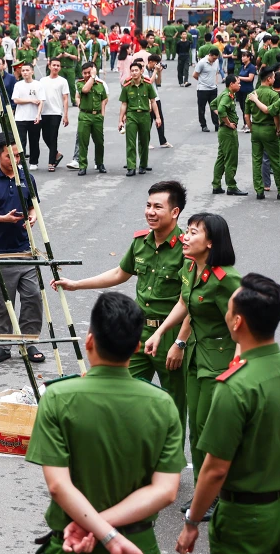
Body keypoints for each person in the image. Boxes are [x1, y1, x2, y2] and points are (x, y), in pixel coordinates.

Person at [25, 292, 184, 554]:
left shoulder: (58, 397)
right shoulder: (162, 404)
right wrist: (103, 527)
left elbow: (58, 486)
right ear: (137, 347)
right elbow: (166, 490)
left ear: (89, 341)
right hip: (137, 547)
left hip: (70, 546)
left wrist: (99, 530)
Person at [175, 274, 280, 554]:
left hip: (245, 518)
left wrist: (192, 522)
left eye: (229, 309)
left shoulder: (234, 387)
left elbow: (215, 469)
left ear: (237, 322)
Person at [52, 180, 189, 436]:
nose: (150, 212)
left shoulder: (186, 249)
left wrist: (180, 343)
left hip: (170, 336)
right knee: (124, 393)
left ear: (175, 212)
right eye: (148, 205)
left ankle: (169, 466)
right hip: (138, 335)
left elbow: (188, 302)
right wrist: (76, 285)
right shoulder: (141, 242)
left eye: (158, 207)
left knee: (173, 403)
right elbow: (120, 273)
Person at [145, 212, 241, 518]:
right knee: (197, 432)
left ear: (211, 242)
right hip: (196, 358)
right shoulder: (191, 268)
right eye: (186, 231)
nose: (185, 237)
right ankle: (205, 492)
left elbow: (245, 321)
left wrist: (238, 364)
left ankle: (219, 493)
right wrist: (165, 335)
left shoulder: (228, 279)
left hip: (220, 362)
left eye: (193, 232)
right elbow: (186, 305)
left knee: (211, 431)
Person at [0, 135, 44, 364]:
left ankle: (29, 341)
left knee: (33, 297)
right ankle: (3, 344)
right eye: (10, 156)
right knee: (0, 300)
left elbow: (33, 207)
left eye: (19, 155)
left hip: (25, 250)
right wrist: (2, 219)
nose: (16, 159)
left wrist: (32, 217)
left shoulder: (27, 177)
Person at [241, 68, 280, 200]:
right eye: (273, 77)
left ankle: (259, 190)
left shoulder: (252, 94)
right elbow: (274, 114)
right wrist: (277, 128)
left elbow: (246, 115)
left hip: (256, 129)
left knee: (256, 160)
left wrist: (251, 127)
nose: (274, 79)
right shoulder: (273, 95)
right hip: (269, 129)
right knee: (275, 160)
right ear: (269, 79)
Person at [119, 62, 161, 176]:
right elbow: (124, 104)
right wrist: (120, 120)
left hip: (145, 116)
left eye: (136, 70)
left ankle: (143, 165)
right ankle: (131, 167)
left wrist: (157, 117)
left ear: (141, 71)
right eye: (132, 70)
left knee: (144, 141)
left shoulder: (147, 84)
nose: (134, 72)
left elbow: (153, 101)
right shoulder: (127, 86)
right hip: (132, 115)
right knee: (130, 142)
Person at [212, 75, 247, 196]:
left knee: (221, 158)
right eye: (238, 83)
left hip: (223, 131)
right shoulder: (227, 96)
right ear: (231, 84)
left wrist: (222, 119)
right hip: (227, 132)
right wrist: (227, 122)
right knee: (231, 159)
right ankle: (231, 186)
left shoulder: (225, 94)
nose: (239, 85)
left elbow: (213, 104)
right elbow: (221, 110)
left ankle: (216, 185)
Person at [74, 62, 107, 175]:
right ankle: (82, 165)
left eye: (89, 72)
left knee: (99, 141)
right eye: (85, 73)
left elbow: (104, 98)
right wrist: (92, 77)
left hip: (97, 115)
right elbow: (85, 90)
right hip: (85, 115)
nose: (87, 75)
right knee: (83, 141)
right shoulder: (80, 83)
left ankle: (99, 163)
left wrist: (102, 113)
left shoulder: (100, 84)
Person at [37, 58, 69, 172]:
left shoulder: (63, 81)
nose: (56, 67)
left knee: (53, 136)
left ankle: (51, 162)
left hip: (56, 112)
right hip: (44, 112)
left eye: (58, 65)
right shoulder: (42, 81)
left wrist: (65, 115)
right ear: (49, 66)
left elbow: (65, 99)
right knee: (45, 136)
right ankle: (56, 154)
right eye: (54, 65)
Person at [11, 63, 43, 168]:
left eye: (27, 70)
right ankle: (20, 162)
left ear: (32, 72)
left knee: (34, 141)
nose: (25, 72)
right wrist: (30, 100)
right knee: (20, 141)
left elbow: (41, 101)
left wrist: (38, 115)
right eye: (23, 70)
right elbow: (16, 100)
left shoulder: (38, 84)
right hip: (20, 118)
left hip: (34, 117)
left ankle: (34, 162)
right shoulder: (18, 85)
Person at [144, 54, 173, 149]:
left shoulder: (153, 70)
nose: (157, 65)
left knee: (159, 119)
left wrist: (159, 72)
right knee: (148, 122)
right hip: (147, 99)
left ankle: (163, 141)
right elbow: (149, 83)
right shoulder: (144, 71)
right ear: (151, 62)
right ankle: (146, 142)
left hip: (156, 98)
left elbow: (158, 83)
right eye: (156, 63)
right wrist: (155, 71)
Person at [193, 48, 221, 132]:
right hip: (202, 89)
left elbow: (216, 72)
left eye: (216, 58)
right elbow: (194, 75)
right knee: (202, 108)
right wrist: (202, 81)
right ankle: (203, 125)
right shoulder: (202, 63)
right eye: (214, 58)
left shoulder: (216, 62)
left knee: (214, 108)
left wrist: (215, 83)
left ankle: (217, 124)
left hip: (213, 89)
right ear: (210, 55)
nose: (214, 60)